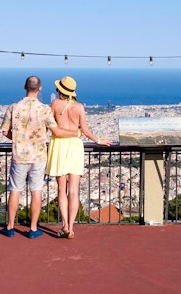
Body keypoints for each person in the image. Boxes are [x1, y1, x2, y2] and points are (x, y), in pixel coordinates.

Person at [0, 76, 80, 239]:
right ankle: (33, 228)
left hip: (19, 155)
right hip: (38, 156)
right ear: (40, 89)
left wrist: (19, 139)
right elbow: (56, 131)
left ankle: (10, 227)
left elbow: (5, 131)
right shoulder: (44, 109)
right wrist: (76, 133)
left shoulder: (14, 107)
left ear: (24, 87)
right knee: (36, 191)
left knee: (15, 191)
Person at [46, 76, 112, 239]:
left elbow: (49, 126)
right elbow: (85, 130)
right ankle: (71, 227)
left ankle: (64, 225)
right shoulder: (80, 107)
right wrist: (99, 140)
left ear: (60, 90)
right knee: (74, 190)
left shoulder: (55, 104)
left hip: (59, 144)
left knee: (61, 189)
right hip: (75, 146)